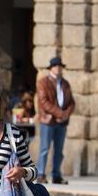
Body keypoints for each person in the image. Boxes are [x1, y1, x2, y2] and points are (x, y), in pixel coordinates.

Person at [35, 56, 75, 184]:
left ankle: (56, 174)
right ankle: (41, 174)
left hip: (61, 122)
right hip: (48, 121)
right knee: (45, 149)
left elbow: (71, 102)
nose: (58, 68)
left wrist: (65, 114)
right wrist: (59, 113)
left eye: (60, 66)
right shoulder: (43, 82)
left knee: (59, 150)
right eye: (56, 66)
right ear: (51, 68)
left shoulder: (65, 83)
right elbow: (44, 102)